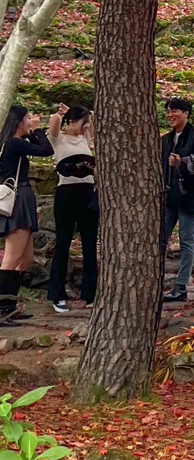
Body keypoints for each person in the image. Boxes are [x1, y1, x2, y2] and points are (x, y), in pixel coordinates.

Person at [0, 106, 54, 324]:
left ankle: (10, 305)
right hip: (19, 197)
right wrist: (37, 131)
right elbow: (46, 150)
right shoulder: (13, 143)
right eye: (28, 118)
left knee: (27, 258)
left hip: (21, 196)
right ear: (19, 122)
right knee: (11, 258)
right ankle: (3, 308)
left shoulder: (7, 143)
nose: (32, 120)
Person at [161, 98, 194, 303]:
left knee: (186, 241)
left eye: (174, 110)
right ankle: (156, 281)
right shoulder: (166, 140)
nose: (169, 114)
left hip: (189, 195)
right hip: (169, 197)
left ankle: (181, 286)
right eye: (167, 111)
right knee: (160, 240)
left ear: (186, 113)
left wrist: (183, 162)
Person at [46, 104, 98, 314]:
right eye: (80, 122)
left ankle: (90, 292)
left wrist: (88, 118)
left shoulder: (85, 138)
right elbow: (54, 124)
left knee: (89, 243)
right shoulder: (59, 139)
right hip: (66, 191)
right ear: (71, 121)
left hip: (87, 191)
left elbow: (94, 128)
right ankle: (57, 295)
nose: (84, 126)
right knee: (63, 242)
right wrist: (62, 113)